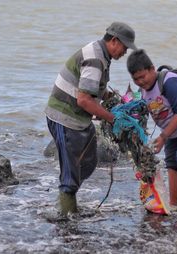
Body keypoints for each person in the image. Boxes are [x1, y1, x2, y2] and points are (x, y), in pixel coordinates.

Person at [45, 22, 137, 215]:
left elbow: (94, 87)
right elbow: (84, 100)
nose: (125, 52)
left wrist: (112, 99)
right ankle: (66, 216)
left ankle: (67, 201)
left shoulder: (102, 54)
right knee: (71, 171)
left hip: (77, 118)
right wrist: (112, 119)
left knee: (89, 161)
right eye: (125, 47)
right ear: (114, 41)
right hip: (64, 116)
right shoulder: (96, 58)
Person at [126, 49, 177, 212]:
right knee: (172, 165)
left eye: (143, 76)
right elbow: (141, 112)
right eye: (136, 79)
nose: (141, 82)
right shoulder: (142, 91)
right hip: (172, 128)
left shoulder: (169, 82)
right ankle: (174, 205)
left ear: (152, 68)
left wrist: (163, 137)